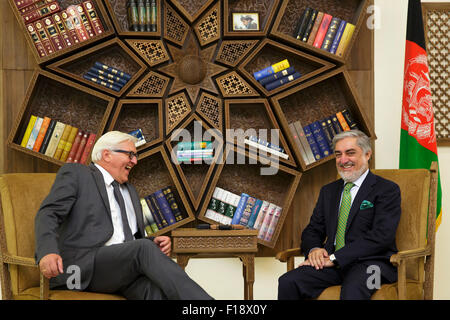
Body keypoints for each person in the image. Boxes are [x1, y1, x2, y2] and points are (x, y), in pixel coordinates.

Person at [35, 131, 213, 300]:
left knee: (155, 293)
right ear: (107, 155)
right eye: (130, 155)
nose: (135, 161)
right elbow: (49, 213)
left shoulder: (130, 191)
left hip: (120, 271)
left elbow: (128, 239)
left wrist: (153, 243)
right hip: (82, 268)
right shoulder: (78, 174)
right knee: (143, 248)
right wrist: (47, 251)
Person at [278, 130, 401, 300]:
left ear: (367, 154)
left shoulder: (387, 189)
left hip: (373, 265)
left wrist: (336, 258)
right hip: (331, 265)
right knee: (288, 281)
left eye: (350, 153)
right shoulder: (329, 191)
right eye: (338, 154)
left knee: (353, 290)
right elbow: (313, 230)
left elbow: (381, 237)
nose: (343, 160)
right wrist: (314, 250)